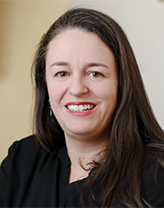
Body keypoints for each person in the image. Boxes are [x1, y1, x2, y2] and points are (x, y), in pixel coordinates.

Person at [0, 7, 164, 208]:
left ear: (122, 84)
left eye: (95, 73)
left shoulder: (157, 175)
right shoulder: (22, 159)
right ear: (45, 85)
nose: (77, 89)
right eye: (62, 73)